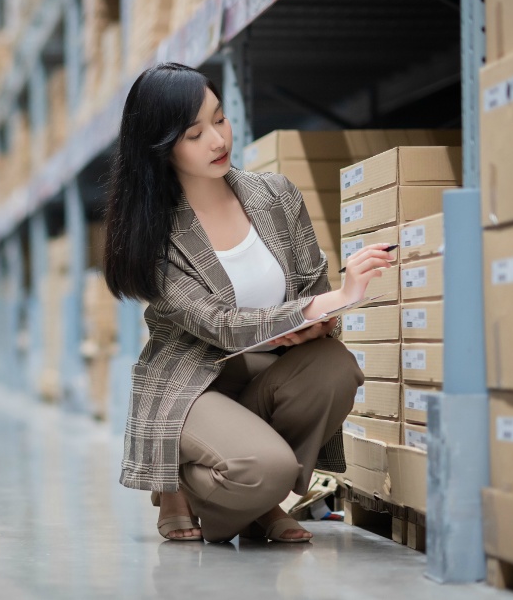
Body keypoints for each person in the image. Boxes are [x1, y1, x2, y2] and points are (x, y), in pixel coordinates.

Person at [102, 63, 391, 543]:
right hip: (193, 382)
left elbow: (310, 289)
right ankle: (183, 483)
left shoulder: (275, 196)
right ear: (160, 146)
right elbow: (220, 325)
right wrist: (332, 300)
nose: (218, 140)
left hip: (269, 372)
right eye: (195, 134)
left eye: (220, 119)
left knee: (336, 367)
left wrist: (322, 317)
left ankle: (260, 500)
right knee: (265, 467)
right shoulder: (153, 234)